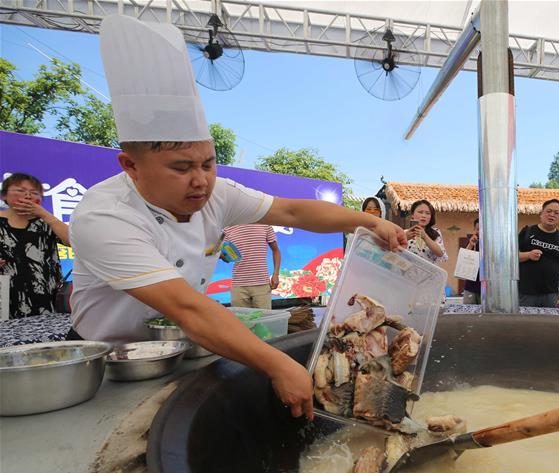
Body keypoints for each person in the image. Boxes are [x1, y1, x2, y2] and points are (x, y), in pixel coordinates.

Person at [68, 15, 406, 421]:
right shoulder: (103, 216)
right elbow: (187, 309)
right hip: (110, 368)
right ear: (131, 165)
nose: (201, 181)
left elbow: (293, 209)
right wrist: (277, 363)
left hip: (185, 351)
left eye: (209, 164)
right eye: (181, 168)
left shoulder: (217, 193)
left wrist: (366, 222)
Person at [0, 173, 70, 319]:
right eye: (20, 190)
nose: (27, 196)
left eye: (34, 192)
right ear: (4, 195)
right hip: (5, 297)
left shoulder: (45, 223)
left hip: (46, 296)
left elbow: (73, 241)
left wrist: (45, 215)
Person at [518, 199, 559, 307]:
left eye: (556, 213)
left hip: (551, 294)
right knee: (525, 322)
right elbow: (511, 257)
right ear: (541, 214)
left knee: (549, 323)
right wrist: (528, 255)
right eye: (548, 211)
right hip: (526, 292)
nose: (552, 215)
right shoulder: (528, 232)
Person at [223, 224, 280, 309]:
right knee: (240, 320)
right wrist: (222, 255)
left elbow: (276, 251)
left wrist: (276, 274)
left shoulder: (265, 225)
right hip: (239, 286)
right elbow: (226, 258)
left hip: (262, 284)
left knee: (265, 320)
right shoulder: (228, 228)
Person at [403, 199, 448, 264]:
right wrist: (405, 237)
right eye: (420, 212)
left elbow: (441, 254)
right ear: (412, 215)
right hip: (406, 272)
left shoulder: (435, 233)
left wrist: (425, 237)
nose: (424, 216)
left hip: (429, 273)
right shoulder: (405, 232)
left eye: (428, 213)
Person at [462, 217, 481, 304]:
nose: (480, 232)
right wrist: (470, 245)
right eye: (478, 229)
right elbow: (463, 259)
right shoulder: (471, 242)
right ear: (474, 229)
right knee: (468, 314)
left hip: (487, 289)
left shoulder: (494, 244)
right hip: (470, 287)